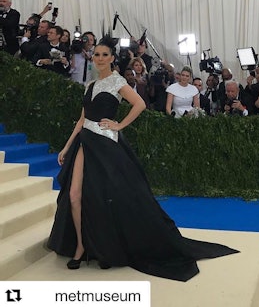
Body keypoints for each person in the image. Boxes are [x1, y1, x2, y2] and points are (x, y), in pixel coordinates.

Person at [47, 36, 238, 281]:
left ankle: (105, 248)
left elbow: (139, 104)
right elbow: (83, 118)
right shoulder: (90, 85)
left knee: (106, 197)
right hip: (85, 142)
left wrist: (119, 125)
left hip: (106, 145)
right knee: (74, 196)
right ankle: (81, 246)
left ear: (113, 58)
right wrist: (66, 146)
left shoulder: (117, 81)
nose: (100, 59)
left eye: (105, 55)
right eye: (97, 55)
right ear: (93, 58)